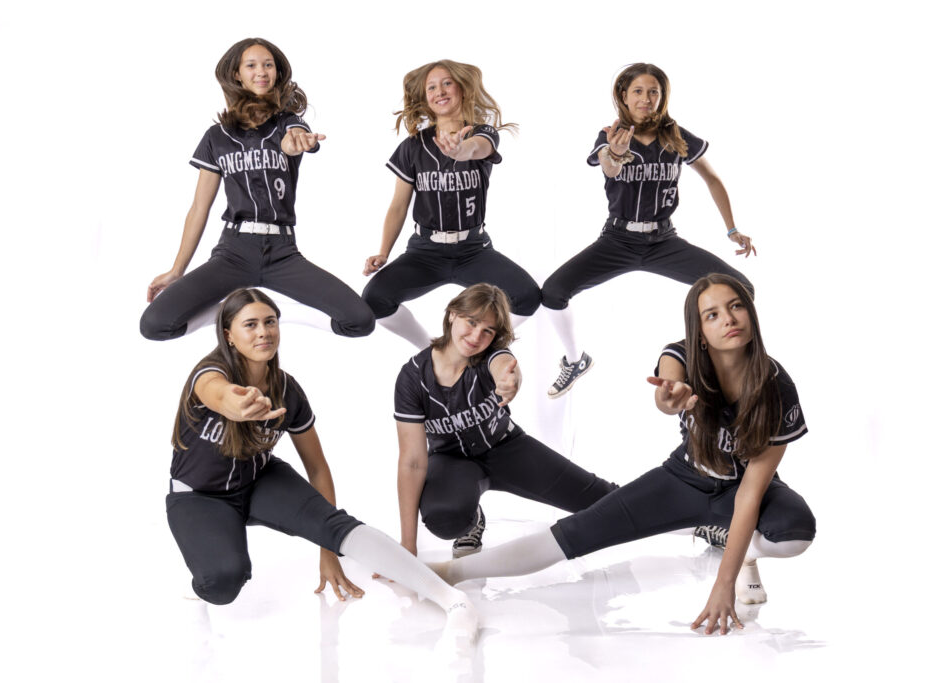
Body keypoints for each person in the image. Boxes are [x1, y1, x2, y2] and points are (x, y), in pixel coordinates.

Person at [428, 274, 815, 636]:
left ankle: (742, 548)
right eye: (712, 315)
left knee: (796, 532)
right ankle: (452, 571)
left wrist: (723, 583)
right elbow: (670, 376)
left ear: (751, 312)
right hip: (683, 480)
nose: (728, 319)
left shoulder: (777, 386)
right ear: (699, 334)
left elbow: (751, 492)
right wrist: (670, 394)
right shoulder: (687, 355)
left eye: (736, 306)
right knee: (577, 532)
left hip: (743, 488)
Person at [165, 288, 476, 642]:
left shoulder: (287, 389)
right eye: (249, 325)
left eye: (270, 322)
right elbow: (219, 394)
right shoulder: (208, 373)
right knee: (222, 583)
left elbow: (317, 468)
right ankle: (206, 562)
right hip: (200, 496)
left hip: (259, 480)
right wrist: (238, 406)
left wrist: (327, 552)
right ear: (228, 335)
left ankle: (450, 598)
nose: (263, 332)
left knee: (336, 525)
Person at [541, 63, 756, 398]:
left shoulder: (676, 136)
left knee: (741, 289)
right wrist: (615, 152)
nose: (646, 99)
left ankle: (697, 359)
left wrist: (732, 229)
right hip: (617, 240)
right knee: (553, 292)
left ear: (662, 96)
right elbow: (610, 168)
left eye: (653, 92)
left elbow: (713, 179)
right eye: (638, 92)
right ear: (623, 97)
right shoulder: (611, 135)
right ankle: (575, 360)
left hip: (663, 241)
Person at [140, 38, 374, 342]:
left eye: (268, 65)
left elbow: (293, 140)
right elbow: (199, 207)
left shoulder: (287, 123)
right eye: (251, 65)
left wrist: (298, 141)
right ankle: (230, 313)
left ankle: (278, 312)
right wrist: (176, 269)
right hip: (233, 251)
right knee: (154, 324)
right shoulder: (216, 137)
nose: (261, 71)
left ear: (277, 73)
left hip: (283, 253)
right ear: (237, 74)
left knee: (360, 320)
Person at [393, 284, 616, 558]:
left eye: (488, 330)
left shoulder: (491, 355)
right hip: (451, 461)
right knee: (445, 518)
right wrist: (407, 545)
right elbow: (412, 461)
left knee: (605, 502)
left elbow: (505, 365)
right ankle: (471, 517)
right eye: (471, 322)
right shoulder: (413, 377)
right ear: (452, 314)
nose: (476, 336)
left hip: (507, 448)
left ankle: (675, 507)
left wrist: (510, 381)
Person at [361, 60, 541, 348]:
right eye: (431, 87)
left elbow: (479, 146)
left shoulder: (483, 133)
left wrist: (462, 149)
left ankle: (481, 351)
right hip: (425, 251)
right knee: (374, 300)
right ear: (425, 98)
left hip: (473, 250)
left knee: (528, 296)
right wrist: (383, 252)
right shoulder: (412, 146)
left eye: (447, 83)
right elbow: (398, 206)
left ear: (462, 89)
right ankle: (433, 350)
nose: (439, 91)